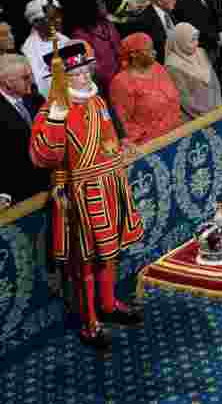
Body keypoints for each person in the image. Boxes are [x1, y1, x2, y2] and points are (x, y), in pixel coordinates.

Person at [30, 40, 145, 348]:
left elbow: (108, 138)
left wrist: (118, 152)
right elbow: (44, 157)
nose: (84, 77)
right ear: (61, 79)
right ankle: (90, 321)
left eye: (85, 71)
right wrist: (55, 118)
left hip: (108, 184)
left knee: (109, 253)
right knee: (85, 261)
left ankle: (108, 304)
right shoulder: (50, 111)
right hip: (79, 193)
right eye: (76, 74)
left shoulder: (96, 102)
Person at [109, 33, 183, 146]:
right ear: (134, 54)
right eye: (148, 50)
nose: (154, 52)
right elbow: (122, 123)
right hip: (152, 146)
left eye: (153, 48)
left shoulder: (158, 68)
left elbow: (174, 99)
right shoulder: (121, 82)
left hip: (178, 134)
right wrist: (148, 137)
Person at [0, 54, 49, 203]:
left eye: (31, 75)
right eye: (25, 78)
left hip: (49, 183)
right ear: (7, 83)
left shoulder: (36, 99)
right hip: (19, 194)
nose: (32, 81)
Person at [164, 22, 222, 120]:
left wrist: (218, 106)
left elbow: (214, 82)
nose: (197, 43)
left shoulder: (200, 52)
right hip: (195, 116)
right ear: (181, 41)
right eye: (192, 40)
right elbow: (184, 98)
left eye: (197, 39)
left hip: (215, 108)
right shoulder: (172, 65)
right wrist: (206, 115)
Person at [21, 0, 70, 97]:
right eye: (52, 18)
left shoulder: (64, 39)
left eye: (58, 15)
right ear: (36, 23)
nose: (58, 20)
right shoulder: (28, 50)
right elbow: (41, 86)